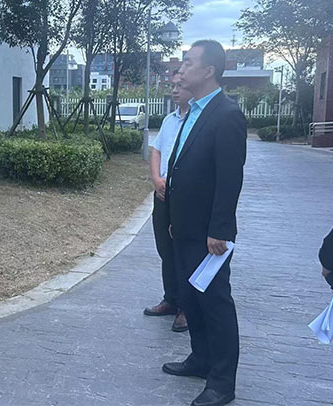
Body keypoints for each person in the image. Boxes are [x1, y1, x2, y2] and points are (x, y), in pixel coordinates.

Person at [161, 40, 246, 406]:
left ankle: (223, 381)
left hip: (209, 234)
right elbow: (180, 167)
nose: (182, 69)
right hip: (184, 227)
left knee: (215, 303)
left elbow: (230, 178)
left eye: (189, 63)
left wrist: (220, 230)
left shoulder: (226, 114)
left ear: (209, 70)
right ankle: (201, 358)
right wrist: (173, 218)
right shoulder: (192, 110)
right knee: (190, 298)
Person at [144, 70, 191, 333]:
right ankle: (171, 299)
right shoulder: (169, 120)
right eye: (172, 86)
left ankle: (187, 307)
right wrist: (156, 179)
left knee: (184, 251)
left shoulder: (198, 120)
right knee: (165, 249)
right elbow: (156, 150)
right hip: (163, 194)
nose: (174, 90)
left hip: (185, 197)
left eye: (180, 85)